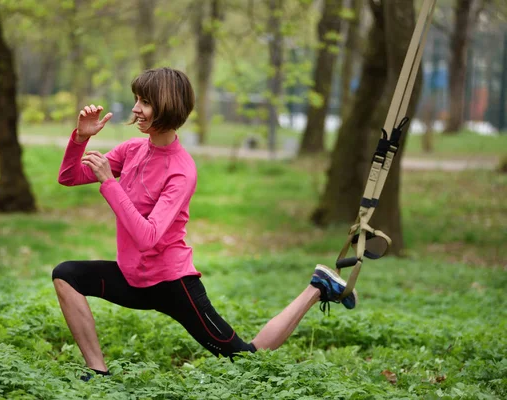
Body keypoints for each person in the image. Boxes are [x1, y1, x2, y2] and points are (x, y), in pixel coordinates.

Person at [52, 67, 357, 380]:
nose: (135, 108)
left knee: (245, 360)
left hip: (171, 283)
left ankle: (317, 288)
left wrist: (109, 182)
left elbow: (149, 237)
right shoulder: (132, 150)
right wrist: (80, 139)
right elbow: (69, 177)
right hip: (132, 277)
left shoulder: (181, 170)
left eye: (144, 101)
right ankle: (97, 372)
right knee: (66, 275)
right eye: (136, 99)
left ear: (166, 106)